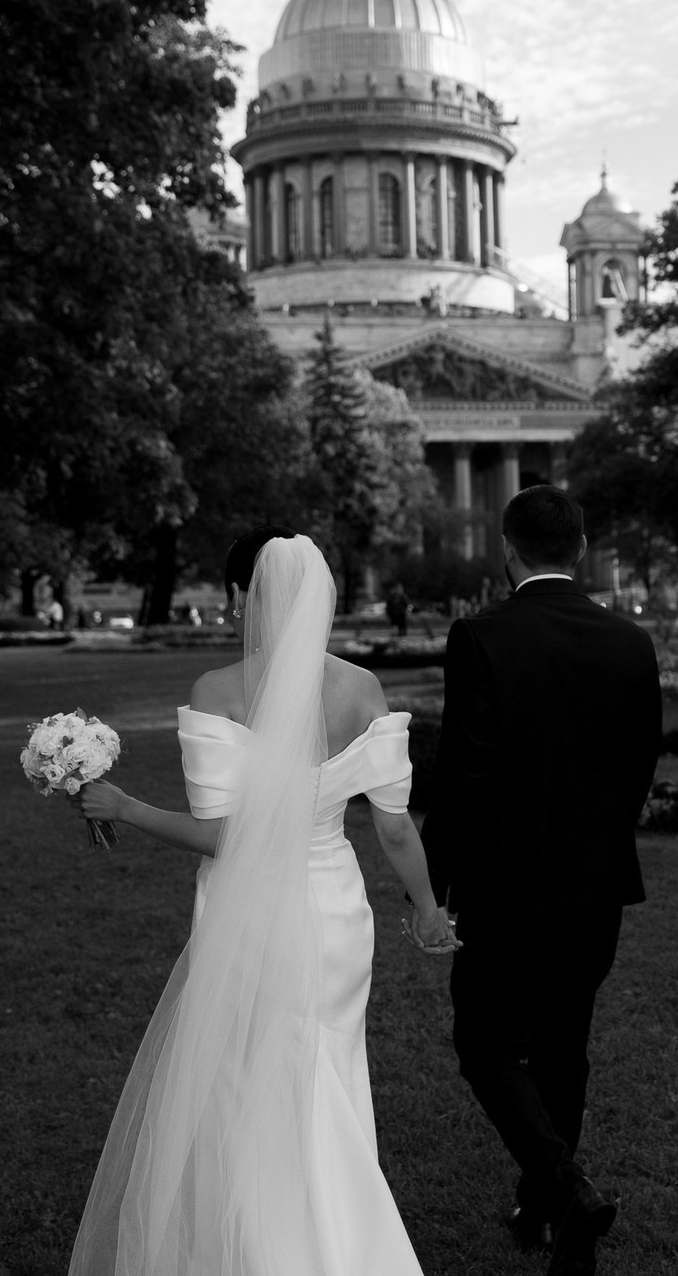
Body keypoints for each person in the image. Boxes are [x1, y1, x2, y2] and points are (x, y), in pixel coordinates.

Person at [66, 525, 458, 1276]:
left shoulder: (217, 693)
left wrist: (127, 808)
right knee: (327, 1073)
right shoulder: (363, 689)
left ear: (242, 595)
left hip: (247, 914)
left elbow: (228, 840)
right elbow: (395, 827)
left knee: (244, 1079)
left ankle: (257, 1244)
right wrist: (428, 909)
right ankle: (334, 1240)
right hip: (335, 909)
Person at [422, 485, 662, 1276]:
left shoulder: (482, 637)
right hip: (596, 885)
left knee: (485, 1042)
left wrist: (435, 878)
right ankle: (548, 1217)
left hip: (506, 887)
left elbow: (467, 772)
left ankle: (563, 1189)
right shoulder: (631, 641)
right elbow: (639, 766)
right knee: (564, 1045)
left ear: (508, 548)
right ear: (581, 549)